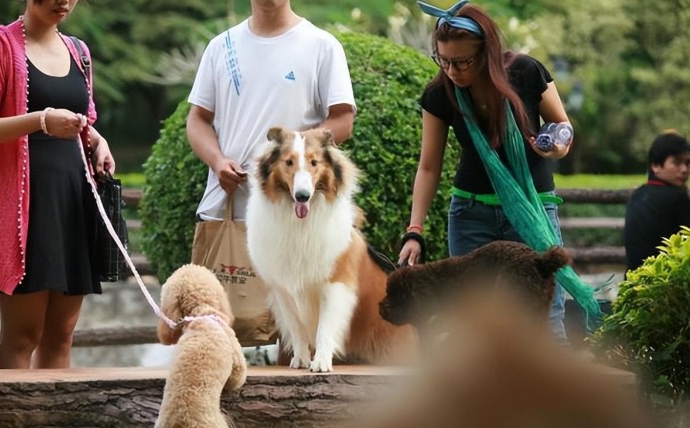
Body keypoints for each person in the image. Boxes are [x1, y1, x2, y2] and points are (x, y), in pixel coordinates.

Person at [398, 0, 579, 342]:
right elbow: (428, 166)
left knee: (544, 314)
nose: (453, 71)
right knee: (472, 321)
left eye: (463, 62)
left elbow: (563, 126)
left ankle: (546, 393)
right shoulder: (440, 93)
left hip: (533, 209)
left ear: (487, 54)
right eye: (444, 61)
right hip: (471, 216)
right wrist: (415, 230)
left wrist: (556, 146)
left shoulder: (526, 73)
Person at [0, 0, 115, 369]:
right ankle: (7, 426)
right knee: (22, 336)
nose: (63, 1)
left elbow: (83, 119)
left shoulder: (79, 51)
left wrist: (98, 140)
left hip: (72, 203)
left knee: (61, 334)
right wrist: (40, 120)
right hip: (24, 212)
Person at [187, 0, 356, 224]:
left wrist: (292, 149)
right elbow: (198, 118)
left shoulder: (322, 46)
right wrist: (218, 162)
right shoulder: (221, 46)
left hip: (295, 214)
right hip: (227, 210)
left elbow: (343, 119)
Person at [624, 131, 690, 271]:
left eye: (687, 163)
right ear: (656, 166)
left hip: (633, 282)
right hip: (663, 283)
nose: (684, 170)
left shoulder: (638, 194)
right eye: (676, 162)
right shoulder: (678, 198)